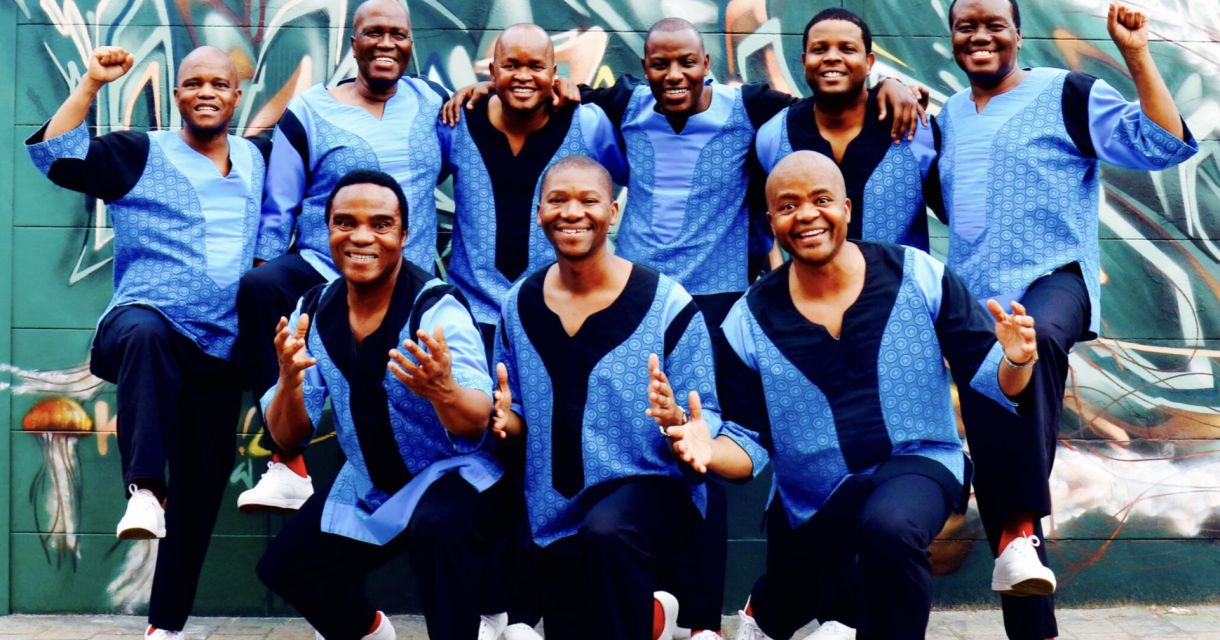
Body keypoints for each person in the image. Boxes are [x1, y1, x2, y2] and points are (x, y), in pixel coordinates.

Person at [658, 151, 1036, 640]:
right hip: (814, 500)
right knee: (794, 598)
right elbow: (747, 445)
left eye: (821, 200)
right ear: (771, 221)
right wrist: (708, 449)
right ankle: (768, 608)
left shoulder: (917, 274)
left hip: (920, 461)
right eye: (788, 205)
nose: (807, 215)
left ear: (846, 208)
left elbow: (992, 381)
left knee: (891, 526)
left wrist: (1017, 361)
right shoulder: (747, 321)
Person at [939, 2, 1198, 637]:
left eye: (994, 24)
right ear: (953, 37)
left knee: (1040, 339)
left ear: (1017, 34)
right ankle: (1033, 614)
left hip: (1053, 279)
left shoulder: (1069, 93)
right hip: (979, 302)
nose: (980, 36)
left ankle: (1020, 530)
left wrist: (1136, 54)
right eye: (966, 25)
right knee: (997, 452)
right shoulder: (947, 116)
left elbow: (1163, 144)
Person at [26, 45, 267, 640]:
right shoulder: (138, 152)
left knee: (202, 492)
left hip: (219, 350)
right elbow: (56, 156)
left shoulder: (256, 160)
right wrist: (91, 83)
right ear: (178, 96)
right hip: (143, 327)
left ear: (237, 97)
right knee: (145, 331)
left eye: (219, 84)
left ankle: (165, 629)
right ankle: (144, 490)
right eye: (194, 83)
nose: (206, 92)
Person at [490, 155, 757, 640]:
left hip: (651, 496)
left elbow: (705, 418)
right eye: (557, 200)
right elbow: (519, 413)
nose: (573, 212)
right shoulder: (518, 303)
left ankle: (660, 612)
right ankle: (656, 616)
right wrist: (506, 420)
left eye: (589, 200)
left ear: (613, 212)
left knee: (608, 530)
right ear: (539, 212)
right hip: (555, 513)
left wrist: (678, 420)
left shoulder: (667, 303)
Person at [255, 170, 515, 640]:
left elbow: (476, 421)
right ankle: (371, 633)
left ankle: (482, 616)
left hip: (457, 475)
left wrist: (444, 390)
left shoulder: (436, 309)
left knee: (439, 527)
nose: (361, 237)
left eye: (380, 224)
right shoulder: (312, 310)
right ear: (328, 230)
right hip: (373, 483)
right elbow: (288, 436)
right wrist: (290, 382)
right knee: (286, 566)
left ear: (403, 234)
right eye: (345, 222)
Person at [236, 0, 451, 513]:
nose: (386, 43)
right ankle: (286, 462)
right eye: (373, 33)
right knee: (260, 289)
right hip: (325, 268)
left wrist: (477, 93)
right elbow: (280, 204)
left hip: (405, 280)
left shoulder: (435, 102)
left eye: (397, 34)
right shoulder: (310, 111)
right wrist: (266, 268)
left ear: (410, 44)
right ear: (354, 44)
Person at [441, 22, 626, 354]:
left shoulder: (585, 123)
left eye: (536, 67)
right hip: (471, 316)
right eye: (511, 66)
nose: (523, 76)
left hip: (556, 314)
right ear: (492, 73)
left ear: (554, 73)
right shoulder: (459, 124)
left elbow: (638, 179)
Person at [755, 8, 941, 252]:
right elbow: (760, 224)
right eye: (819, 49)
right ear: (804, 61)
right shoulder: (773, 137)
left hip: (900, 278)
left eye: (847, 48)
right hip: (808, 278)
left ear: (869, 63)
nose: (832, 57)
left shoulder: (916, 131)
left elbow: (956, 214)